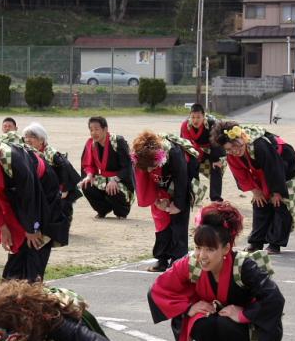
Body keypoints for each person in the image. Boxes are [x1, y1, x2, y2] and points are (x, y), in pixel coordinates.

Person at [148, 202, 285, 341]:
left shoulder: (244, 266)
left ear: (226, 249)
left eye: (210, 249)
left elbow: (274, 297)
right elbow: (158, 289)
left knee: (226, 322)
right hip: (212, 318)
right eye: (198, 247)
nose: (202, 255)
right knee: (200, 321)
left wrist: (243, 314)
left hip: (244, 326)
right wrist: (188, 308)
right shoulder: (190, 263)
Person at [0, 141, 69, 282]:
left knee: (36, 239)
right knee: (16, 236)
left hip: (42, 187)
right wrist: (2, 226)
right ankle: (12, 280)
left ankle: (33, 279)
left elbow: (30, 197)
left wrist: (32, 228)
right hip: (11, 193)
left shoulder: (14, 161)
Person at [211, 121, 295, 254]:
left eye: (236, 145)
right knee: (259, 202)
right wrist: (255, 191)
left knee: (280, 204)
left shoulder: (259, 145)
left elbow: (274, 168)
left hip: (284, 169)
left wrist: (276, 192)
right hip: (262, 172)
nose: (235, 151)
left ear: (241, 137)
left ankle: (274, 244)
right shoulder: (232, 155)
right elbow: (241, 175)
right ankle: (256, 242)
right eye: (229, 149)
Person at [132, 130, 202, 272]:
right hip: (161, 182)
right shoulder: (141, 157)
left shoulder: (174, 153)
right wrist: (157, 200)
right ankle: (162, 258)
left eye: (152, 166)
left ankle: (178, 260)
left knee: (178, 221)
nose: (150, 169)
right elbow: (142, 180)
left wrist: (177, 204)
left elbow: (181, 179)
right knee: (161, 221)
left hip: (183, 180)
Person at [22, 122, 82, 224]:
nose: (27, 140)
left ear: (41, 139)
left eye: (32, 137)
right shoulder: (27, 152)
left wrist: (64, 189)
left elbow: (65, 167)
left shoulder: (50, 152)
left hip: (60, 188)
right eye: (25, 137)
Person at [79, 117, 134, 219]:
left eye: (96, 129)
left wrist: (115, 180)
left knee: (112, 188)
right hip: (104, 178)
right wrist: (89, 175)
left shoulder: (117, 141)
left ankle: (122, 211)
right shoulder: (91, 144)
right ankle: (103, 209)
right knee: (86, 184)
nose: (93, 132)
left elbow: (127, 166)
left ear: (105, 129)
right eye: (91, 130)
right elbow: (88, 165)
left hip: (120, 180)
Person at [180, 103, 224, 201]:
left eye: (198, 117)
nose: (195, 120)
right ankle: (195, 196)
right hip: (193, 151)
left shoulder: (212, 123)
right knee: (191, 164)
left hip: (211, 151)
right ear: (190, 116)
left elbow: (216, 142)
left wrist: (216, 159)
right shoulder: (185, 125)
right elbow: (184, 143)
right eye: (193, 117)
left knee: (216, 167)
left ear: (203, 116)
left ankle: (215, 197)